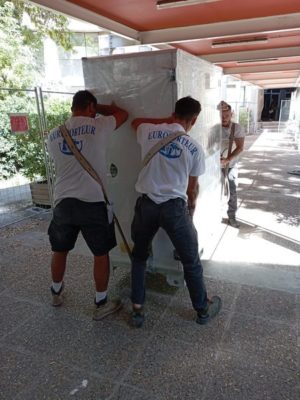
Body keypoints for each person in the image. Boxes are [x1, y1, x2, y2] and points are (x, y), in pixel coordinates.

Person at [130, 96, 222, 328]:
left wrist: (169, 121)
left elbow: (136, 121)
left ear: (174, 112)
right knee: (191, 261)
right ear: (195, 119)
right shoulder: (194, 148)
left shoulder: (147, 131)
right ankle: (202, 309)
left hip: (146, 205)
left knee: (139, 256)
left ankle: (137, 309)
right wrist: (191, 209)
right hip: (174, 208)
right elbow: (192, 189)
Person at [46, 90, 128, 320]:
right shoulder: (100, 126)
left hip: (62, 201)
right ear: (90, 107)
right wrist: (100, 107)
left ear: (72, 107)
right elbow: (124, 114)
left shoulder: (54, 134)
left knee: (59, 249)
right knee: (100, 253)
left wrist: (89, 108)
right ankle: (100, 303)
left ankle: (55, 292)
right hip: (92, 202)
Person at [218, 101, 245, 228]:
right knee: (213, 189)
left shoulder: (236, 128)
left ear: (231, 114)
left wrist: (227, 160)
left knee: (232, 190)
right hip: (215, 166)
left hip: (231, 165)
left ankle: (232, 216)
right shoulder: (214, 128)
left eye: (226, 115)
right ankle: (214, 214)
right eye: (221, 115)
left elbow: (240, 147)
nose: (224, 118)